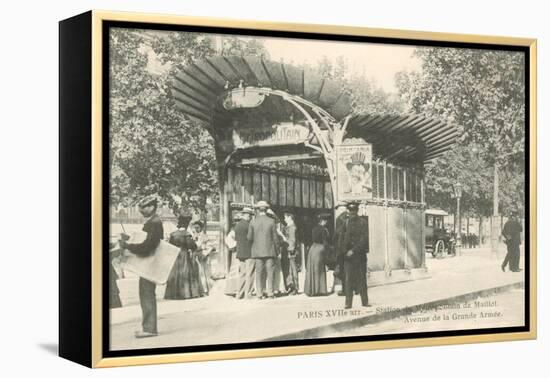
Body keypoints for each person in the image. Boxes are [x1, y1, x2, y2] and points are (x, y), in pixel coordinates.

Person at [119, 195, 163, 338]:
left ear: (151, 207)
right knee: (146, 293)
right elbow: (146, 241)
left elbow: (147, 246)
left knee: (146, 294)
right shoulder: (154, 222)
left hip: (149, 264)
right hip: (150, 263)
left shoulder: (153, 223)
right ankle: (149, 327)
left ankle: (149, 329)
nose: (141, 210)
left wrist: (128, 245)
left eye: (143, 207)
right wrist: (129, 239)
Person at [164, 215, 204, 300]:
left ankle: (173, 294)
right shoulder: (187, 234)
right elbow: (192, 246)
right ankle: (186, 293)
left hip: (175, 255)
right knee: (185, 272)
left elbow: (170, 246)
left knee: (175, 273)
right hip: (184, 255)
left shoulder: (173, 234)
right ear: (186, 224)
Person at [339, 202, 369, 309]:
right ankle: (348, 303)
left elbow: (364, 240)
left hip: (359, 256)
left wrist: (353, 250)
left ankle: (364, 302)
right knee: (348, 280)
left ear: (357, 211)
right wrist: (345, 251)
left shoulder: (363, 223)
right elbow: (341, 239)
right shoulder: (345, 223)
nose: (352, 213)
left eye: (354, 211)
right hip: (348, 257)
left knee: (362, 280)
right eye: (350, 211)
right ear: (348, 211)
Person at [247, 201, 278, 299]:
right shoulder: (271, 221)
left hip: (257, 251)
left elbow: (249, 238)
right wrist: (277, 250)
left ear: (257, 210)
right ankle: (270, 293)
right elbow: (275, 238)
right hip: (269, 251)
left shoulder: (253, 222)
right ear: (266, 209)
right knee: (270, 273)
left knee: (259, 273)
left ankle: (259, 294)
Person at [304, 214, 329, 296]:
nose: (326, 222)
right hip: (320, 249)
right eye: (325, 221)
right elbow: (325, 242)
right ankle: (320, 290)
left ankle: (312, 290)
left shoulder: (314, 229)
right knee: (320, 270)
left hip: (312, 249)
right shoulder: (324, 230)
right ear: (323, 221)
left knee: (312, 269)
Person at [234, 208, 255, 299]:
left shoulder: (237, 225)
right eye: (250, 215)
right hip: (249, 252)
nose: (250, 217)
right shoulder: (249, 226)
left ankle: (239, 293)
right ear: (247, 215)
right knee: (250, 273)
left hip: (240, 252)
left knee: (242, 273)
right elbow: (251, 238)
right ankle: (248, 294)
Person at [280, 211, 300, 295]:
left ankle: (294, 287)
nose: (284, 219)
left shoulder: (292, 228)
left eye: (285, 217)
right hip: (287, 250)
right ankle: (290, 286)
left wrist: (290, 250)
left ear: (290, 218)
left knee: (292, 269)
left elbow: (292, 240)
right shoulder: (288, 227)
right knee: (288, 269)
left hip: (290, 251)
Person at [333, 201, 349, 295]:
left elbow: (335, 237)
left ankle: (345, 290)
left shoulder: (340, 219)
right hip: (352, 249)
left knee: (343, 270)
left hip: (342, 250)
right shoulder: (354, 219)